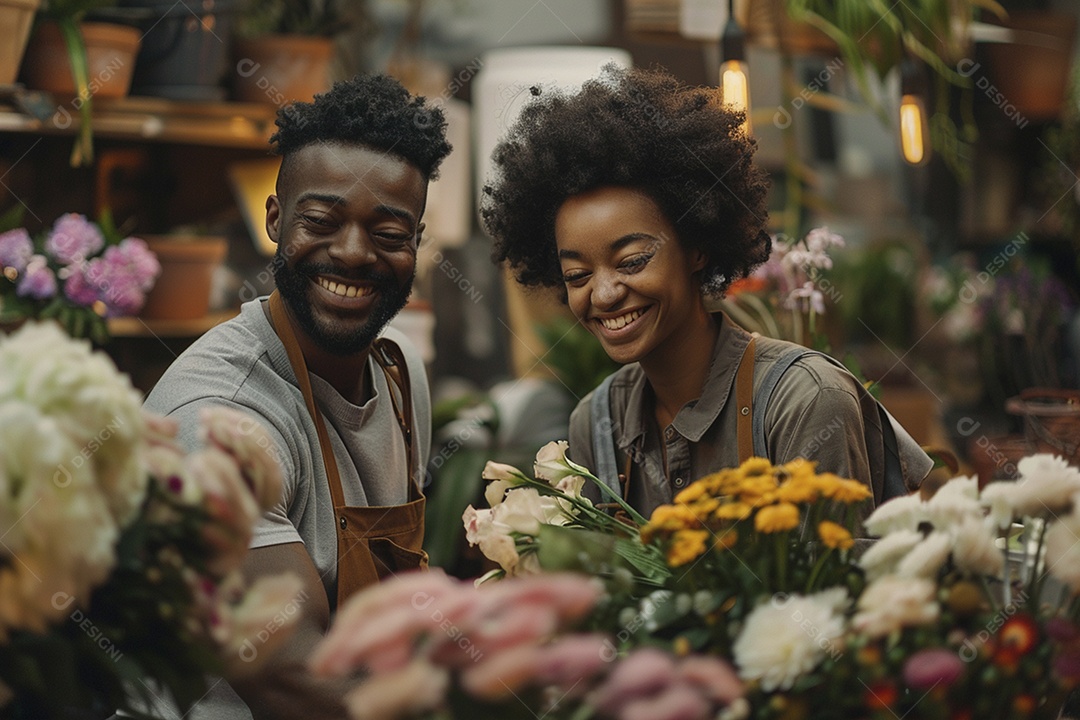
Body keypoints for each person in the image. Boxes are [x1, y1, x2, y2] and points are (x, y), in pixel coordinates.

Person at [481, 65, 931, 519]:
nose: (603, 293)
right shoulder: (597, 424)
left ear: (697, 248)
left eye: (633, 261)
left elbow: (832, 585)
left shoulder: (804, 402)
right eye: (577, 275)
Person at [142, 74, 451, 719]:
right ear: (276, 219)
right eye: (322, 222)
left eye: (390, 233)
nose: (353, 254)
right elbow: (290, 676)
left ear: (417, 242)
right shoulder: (217, 421)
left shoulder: (399, 377)